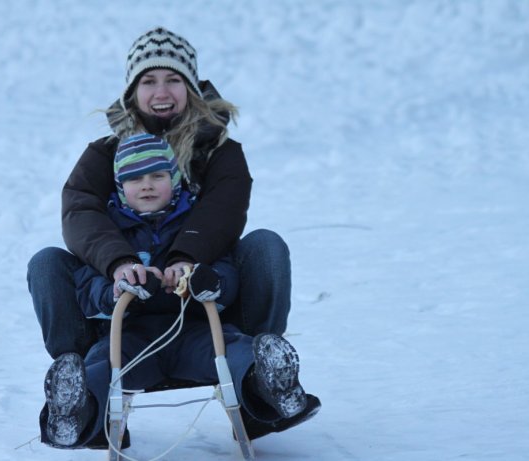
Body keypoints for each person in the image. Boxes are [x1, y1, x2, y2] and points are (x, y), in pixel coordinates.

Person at [28, 26, 299, 442]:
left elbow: (222, 215)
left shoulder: (221, 153)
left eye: (173, 79)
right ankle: (79, 396)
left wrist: (187, 262)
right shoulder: (104, 153)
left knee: (266, 247)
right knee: (47, 263)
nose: (162, 90)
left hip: (204, 313)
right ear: (131, 91)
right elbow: (80, 209)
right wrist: (120, 265)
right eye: (149, 80)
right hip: (125, 321)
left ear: (191, 86)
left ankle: (264, 382)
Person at [39, 134, 319, 449]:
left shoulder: (194, 224)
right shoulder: (111, 234)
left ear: (174, 181)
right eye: (134, 179)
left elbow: (226, 270)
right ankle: (74, 410)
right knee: (102, 368)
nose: (146, 185)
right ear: (119, 187)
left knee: (234, 352)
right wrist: (114, 290)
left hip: (195, 333)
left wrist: (205, 279)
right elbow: (88, 288)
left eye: (157, 176)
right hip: (131, 340)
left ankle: (272, 385)